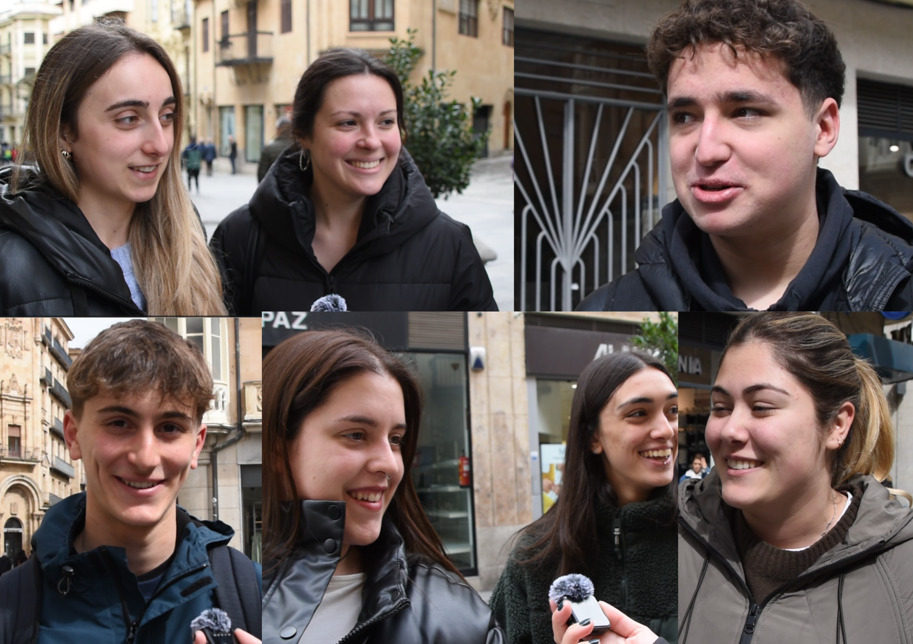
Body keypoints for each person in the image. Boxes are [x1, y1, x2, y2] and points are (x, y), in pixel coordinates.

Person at [577, 0, 913, 312]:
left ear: (823, 128)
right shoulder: (609, 306)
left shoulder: (900, 290)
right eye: (685, 116)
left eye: (745, 112)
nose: (706, 151)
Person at [0, 320, 261, 644]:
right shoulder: (9, 609)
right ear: (73, 435)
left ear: (196, 445)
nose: (146, 457)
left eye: (169, 427)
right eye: (120, 423)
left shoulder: (257, 595)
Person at [679, 312, 913, 642]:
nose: (729, 429)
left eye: (761, 406)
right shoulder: (676, 529)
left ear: (837, 425)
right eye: (720, 407)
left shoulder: (902, 568)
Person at [261, 329, 504, 643]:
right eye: (356, 435)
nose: (390, 464)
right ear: (279, 451)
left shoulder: (460, 619)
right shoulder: (226, 592)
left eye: (395, 440)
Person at [211, 48, 497, 313]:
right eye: (348, 122)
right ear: (302, 133)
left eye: (386, 122)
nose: (372, 141)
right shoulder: (238, 237)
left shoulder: (450, 245)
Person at [0, 19, 225, 316]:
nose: (160, 145)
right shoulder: (11, 260)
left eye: (167, 115)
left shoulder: (187, 233)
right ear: (64, 131)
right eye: (129, 119)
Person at [490, 351, 678, 644]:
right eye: (639, 413)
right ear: (594, 437)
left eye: (673, 410)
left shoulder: (707, 541)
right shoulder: (533, 558)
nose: (666, 430)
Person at [257, 115, 293, 182]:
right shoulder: (298, 148)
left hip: (273, 189)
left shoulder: (268, 149)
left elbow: (261, 175)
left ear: (277, 130)